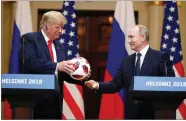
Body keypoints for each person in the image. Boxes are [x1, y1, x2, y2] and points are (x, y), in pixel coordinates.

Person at [85, 25, 175, 119]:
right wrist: (96, 85)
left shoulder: (160, 57)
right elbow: (115, 84)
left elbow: (169, 84)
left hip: (154, 114)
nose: (129, 40)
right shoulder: (126, 61)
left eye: (131, 37)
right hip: (131, 115)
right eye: (128, 37)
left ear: (142, 37)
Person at [19, 11, 83, 119]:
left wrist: (81, 76)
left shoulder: (60, 46)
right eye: (57, 27)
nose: (61, 31)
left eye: (61, 28)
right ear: (46, 26)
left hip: (55, 100)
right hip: (35, 99)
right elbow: (30, 63)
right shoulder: (30, 39)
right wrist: (56, 66)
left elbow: (63, 71)